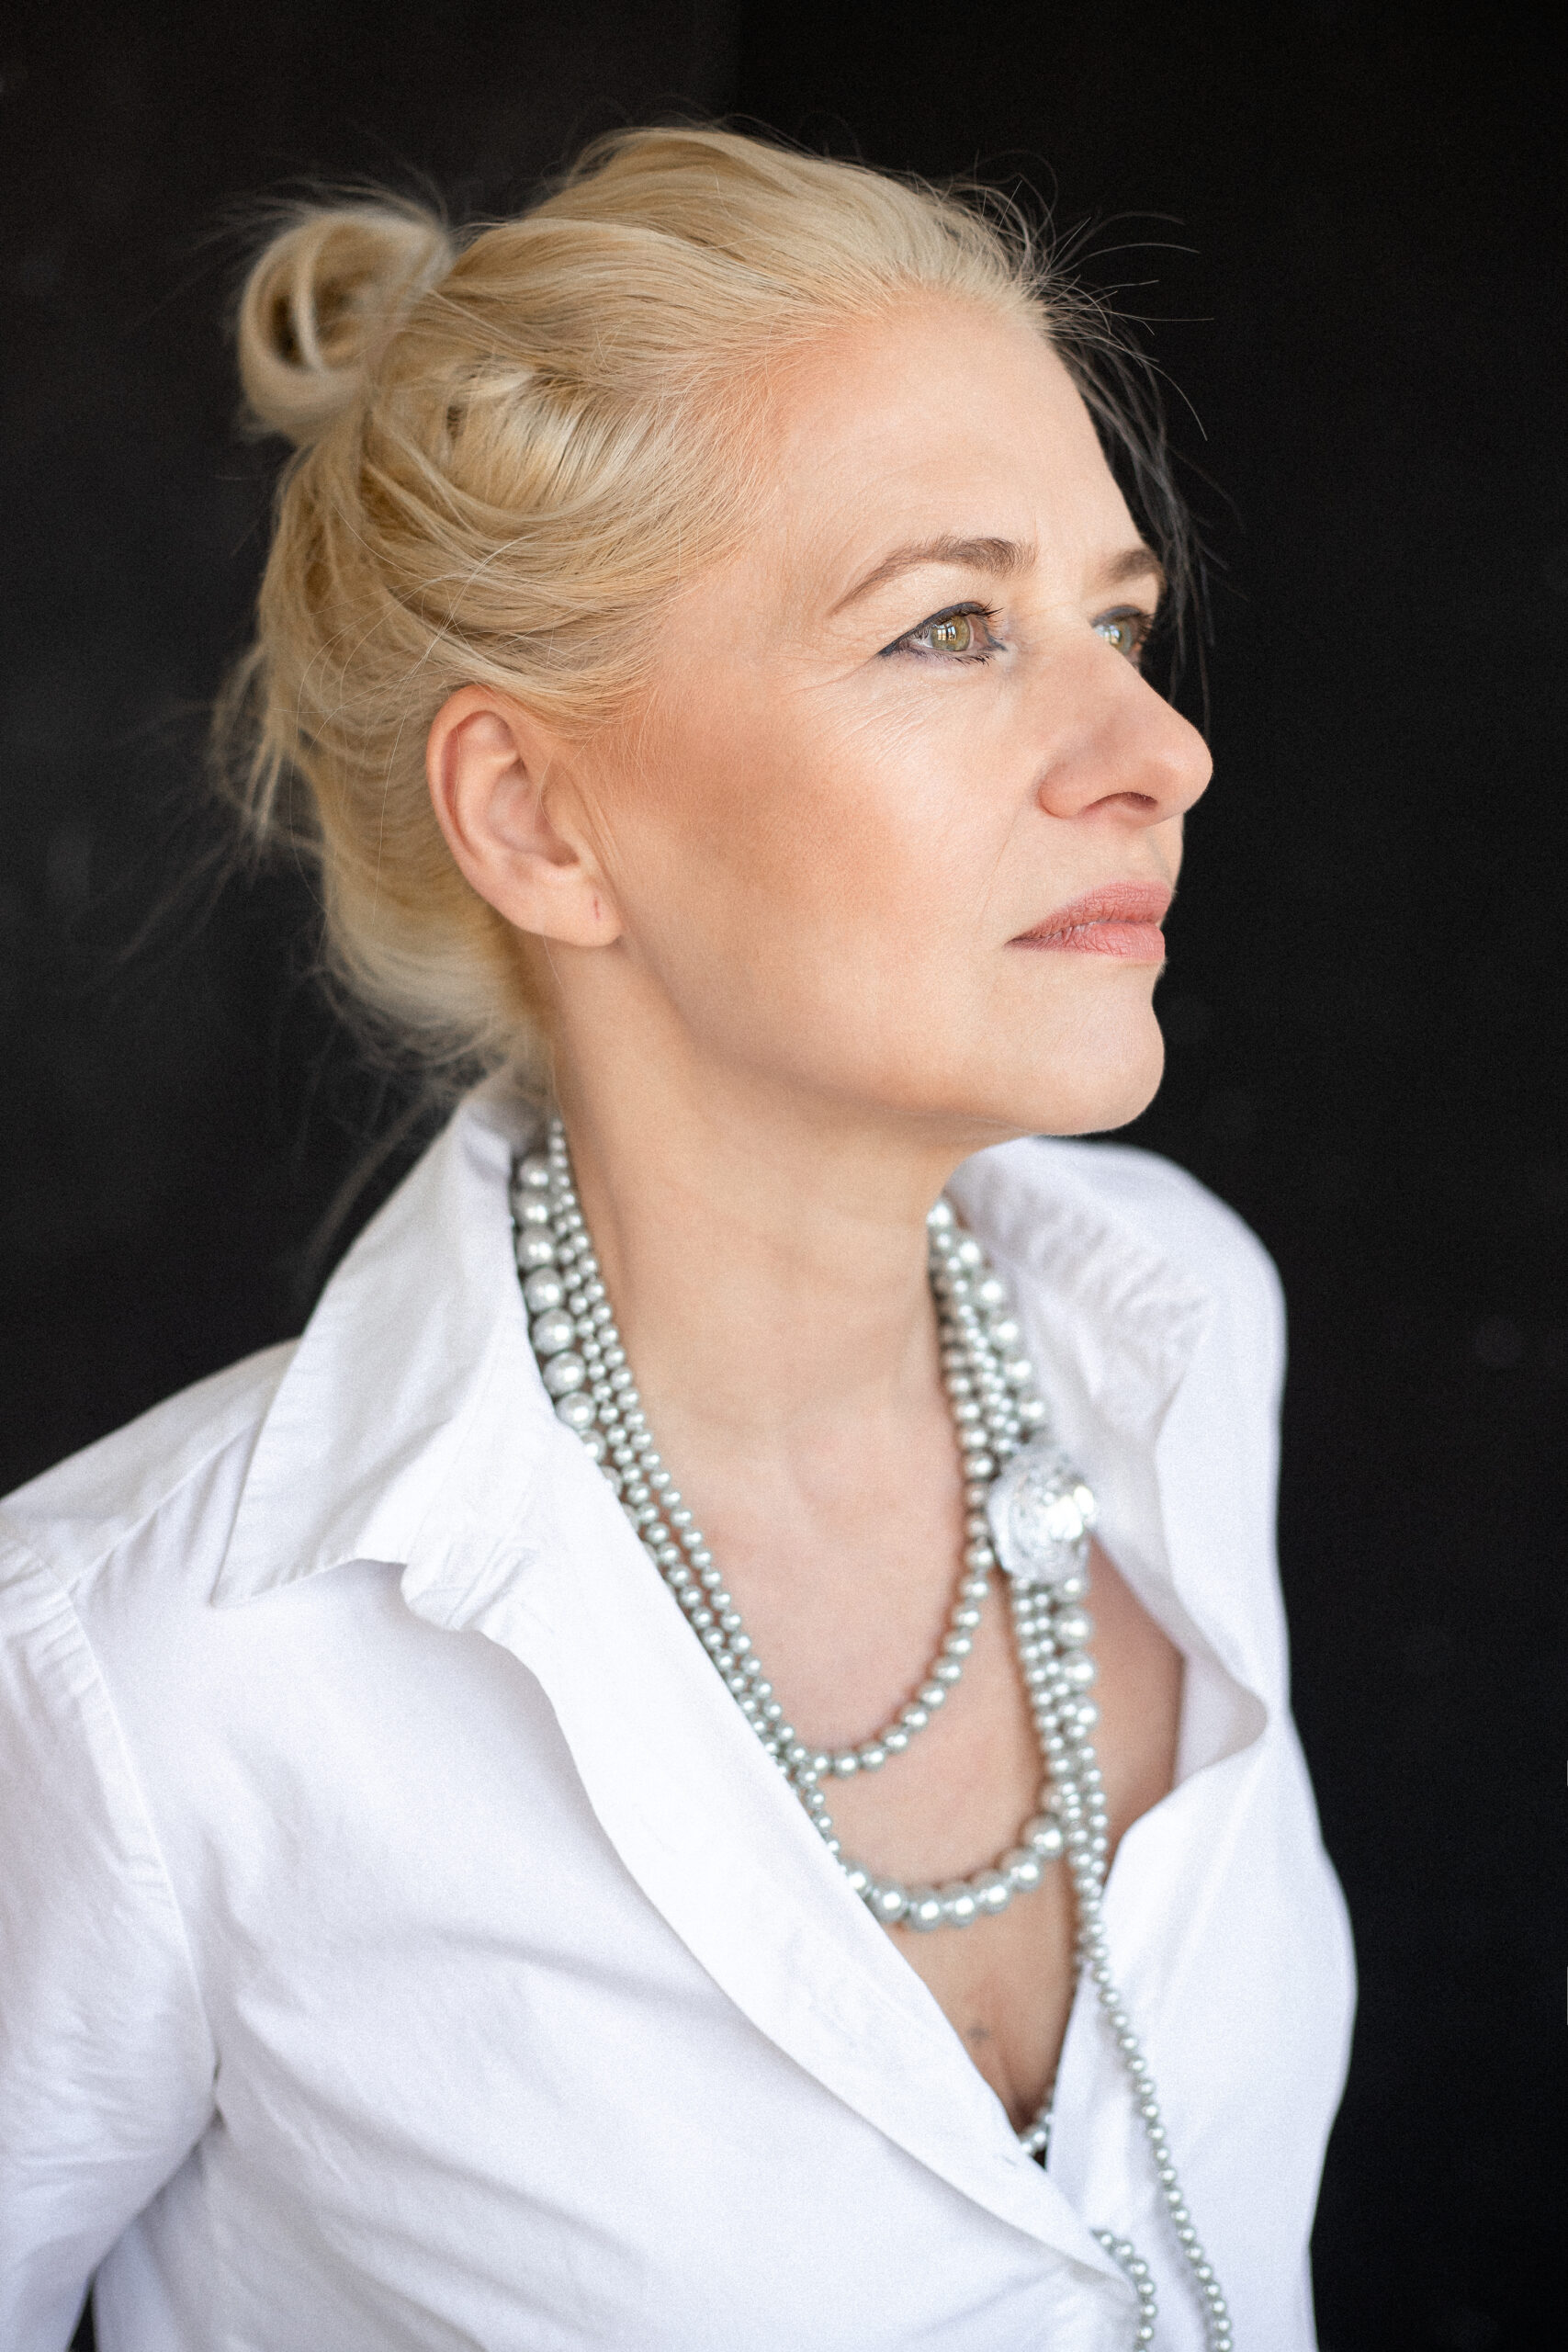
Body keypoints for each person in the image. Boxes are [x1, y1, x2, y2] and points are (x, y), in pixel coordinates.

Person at [0, 127, 1353, 2350]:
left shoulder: (1176, 1327)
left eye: (1112, 619)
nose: (1158, 747)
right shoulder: (146, 1676)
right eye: (948, 625)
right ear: (536, 813)